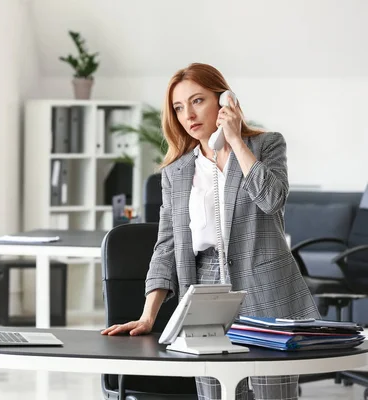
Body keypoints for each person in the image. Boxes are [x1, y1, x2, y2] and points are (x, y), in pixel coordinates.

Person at [101, 63, 320, 400]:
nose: (188, 113)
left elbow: (272, 200)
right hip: (204, 294)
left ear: (224, 100)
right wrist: (148, 315)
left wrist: (234, 139)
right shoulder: (176, 172)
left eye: (197, 100)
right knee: (216, 392)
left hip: (264, 292)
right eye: (178, 107)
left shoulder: (266, 145)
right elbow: (166, 247)